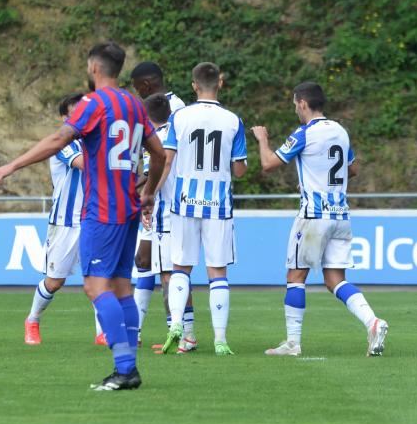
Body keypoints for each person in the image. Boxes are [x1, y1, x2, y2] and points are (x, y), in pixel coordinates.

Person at [0, 42, 165, 390]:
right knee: (122, 286)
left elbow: (58, 139)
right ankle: (130, 366)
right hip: (127, 206)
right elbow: (158, 154)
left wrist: (12, 165)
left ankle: (125, 368)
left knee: (96, 287)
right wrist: (149, 191)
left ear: (94, 68)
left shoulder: (94, 104)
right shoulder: (133, 104)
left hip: (102, 209)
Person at [251, 81, 388, 357]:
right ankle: (373, 322)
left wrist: (262, 139)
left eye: (295, 105)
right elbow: (354, 169)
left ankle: (292, 343)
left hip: (314, 217)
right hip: (341, 217)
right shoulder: (340, 130)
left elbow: (268, 164)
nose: (295, 110)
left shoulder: (304, 133)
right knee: (335, 278)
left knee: (295, 276)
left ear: (302, 103)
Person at [160, 62, 248, 356]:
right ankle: (220, 339)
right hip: (218, 204)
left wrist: (150, 191)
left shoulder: (180, 117)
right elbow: (239, 171)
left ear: (194, 85)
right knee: (217, 272)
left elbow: (167, 160)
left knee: (180, 268)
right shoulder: (233, 120)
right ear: (220, 83)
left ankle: (177, 327)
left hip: (184, 201)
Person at [23, 93, 106, 346]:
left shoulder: (96, 140)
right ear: (65, 118)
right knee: (55, 281)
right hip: (66, 221)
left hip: (93, 218)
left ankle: (102, 333)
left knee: (99, 277)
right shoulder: (64, 143)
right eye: (74, 114)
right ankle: (32, 320)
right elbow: (83, 163)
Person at [129, 62, 196, 349]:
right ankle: (137, 329)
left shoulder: (175, 109)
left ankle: (185, 333)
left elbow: (168, 158)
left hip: (168, 199)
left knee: (172, 269)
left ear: (145, 86)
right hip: (155, 198)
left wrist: (147, 189)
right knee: (145, 260)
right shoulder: (156, 108)